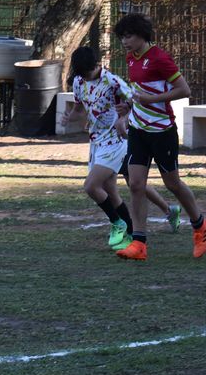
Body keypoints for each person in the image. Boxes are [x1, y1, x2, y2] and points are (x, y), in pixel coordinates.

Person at [111, 13, 206, 261]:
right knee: (135, 184)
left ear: (142, 35)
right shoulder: (131, 58)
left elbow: (184, 90)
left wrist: (151, 100)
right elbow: (138, 92)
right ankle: (139, 243)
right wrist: (127, 111)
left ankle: (200, 225)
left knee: (172, 184)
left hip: (162, 131)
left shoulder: (159, 58)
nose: (124, 42)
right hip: (138, 130)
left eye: (129, 36)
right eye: (122, 37)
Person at [61, 47, 181, 250]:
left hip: (117, 141)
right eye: (81, 73)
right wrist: (69, 117)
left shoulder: (113, 82)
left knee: (94, 186)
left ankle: (120, 223)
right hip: (97, 142)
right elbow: (79, 109)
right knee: (119, 187)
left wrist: (124, 118)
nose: (85, 77)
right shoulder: (79, 81)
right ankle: (149, 222)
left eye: (88, 72)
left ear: (96, 65)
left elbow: (137, 101)